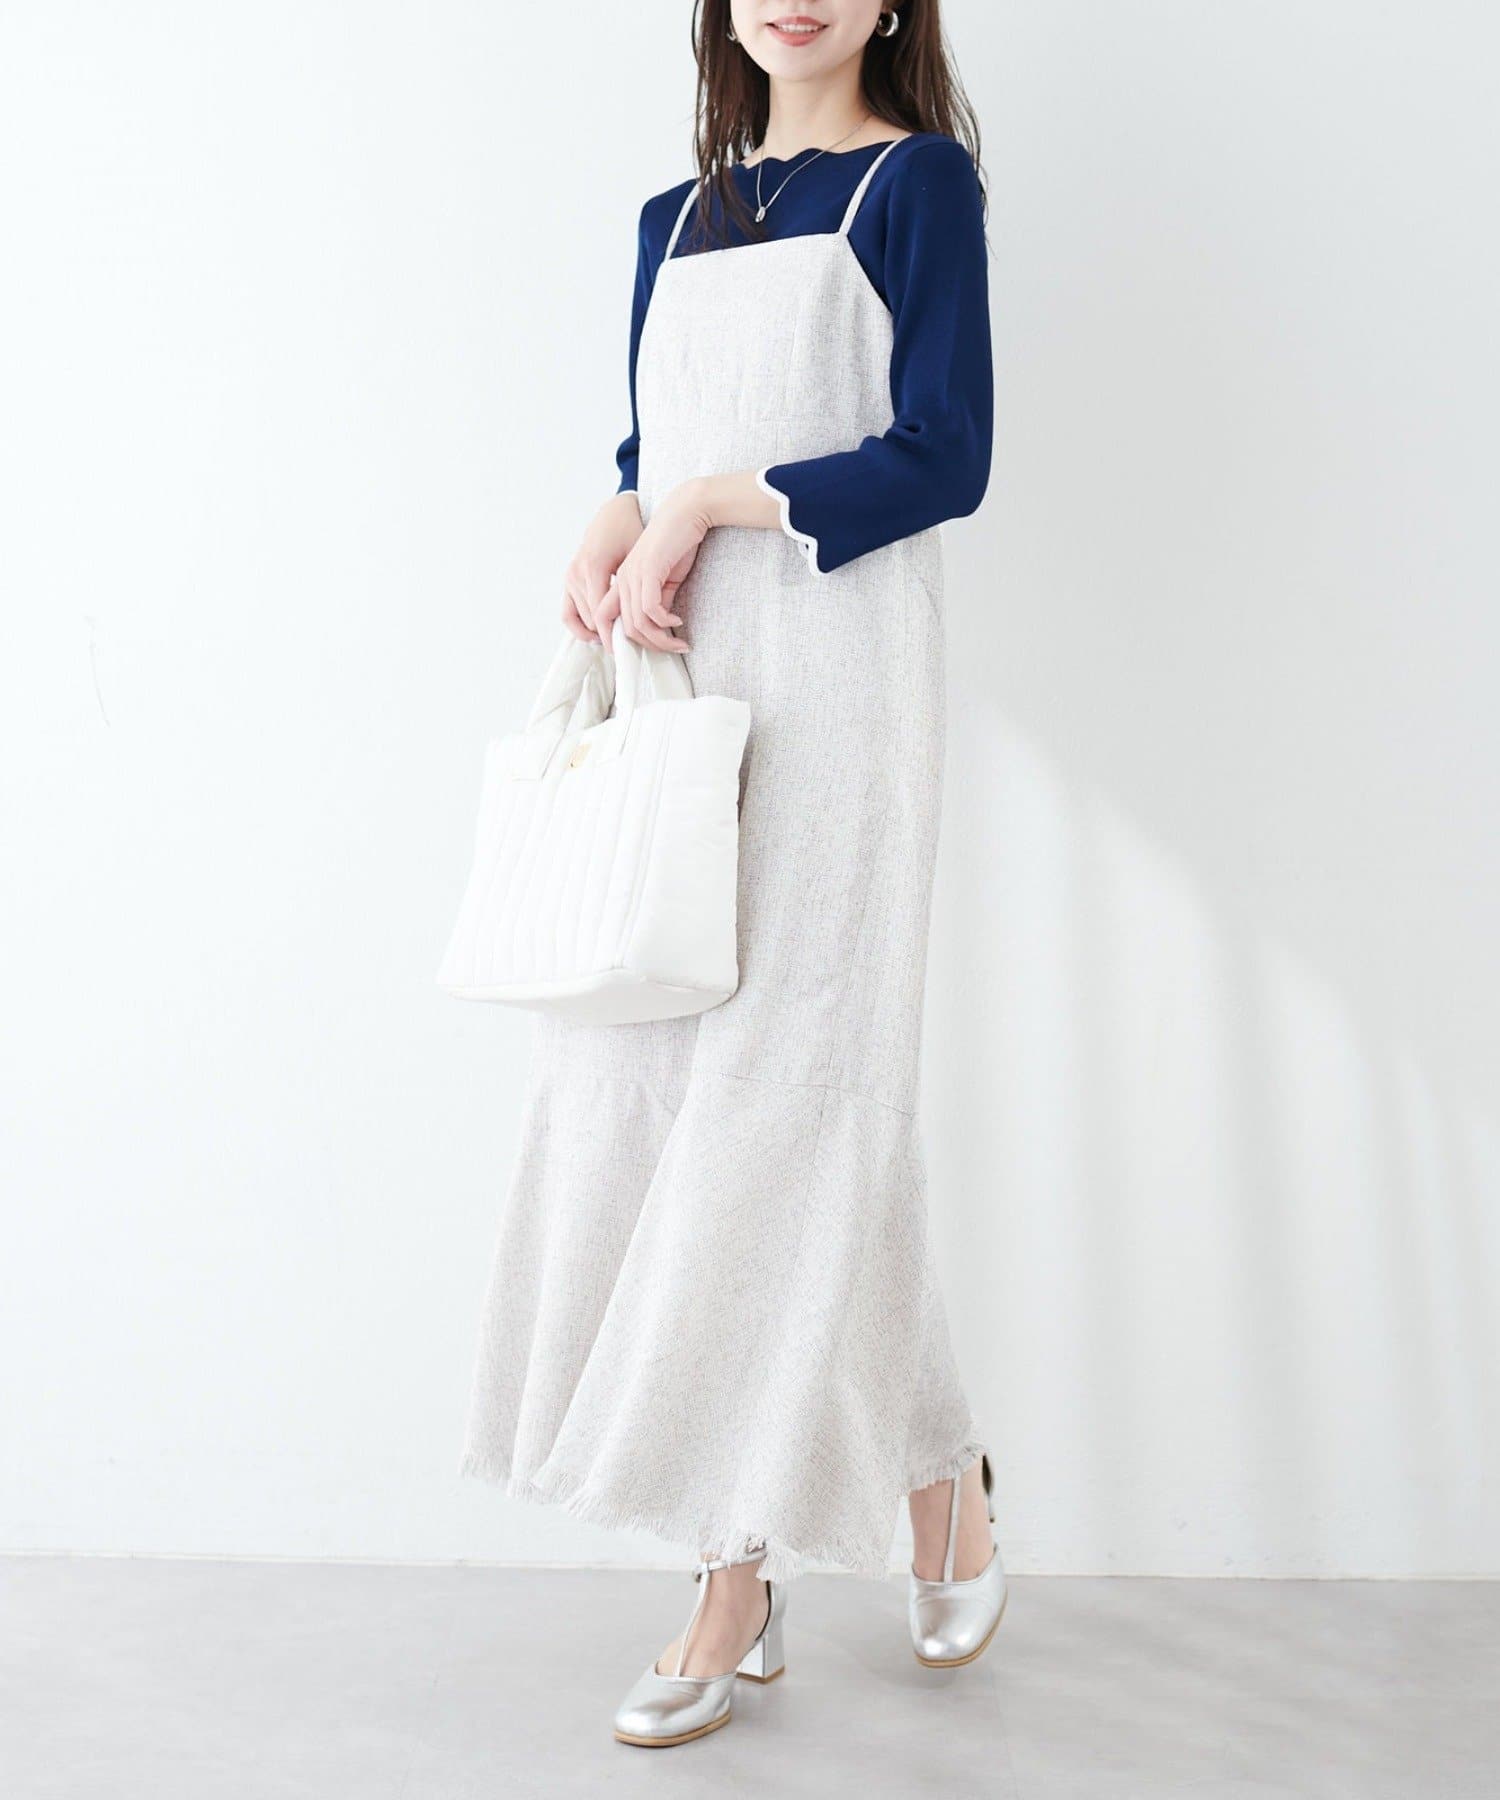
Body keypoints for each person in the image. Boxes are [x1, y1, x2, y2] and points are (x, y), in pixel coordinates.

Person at [459, 1, 1004, 1747]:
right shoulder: (672, 218)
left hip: (842, 689)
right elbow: (654, 445)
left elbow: (946, 454)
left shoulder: (918, 187)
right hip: (687, 685)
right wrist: (619, 521)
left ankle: (731, 1567)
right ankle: (940, 1483)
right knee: (678, 1101)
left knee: (786, 1105)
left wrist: (705, 502)